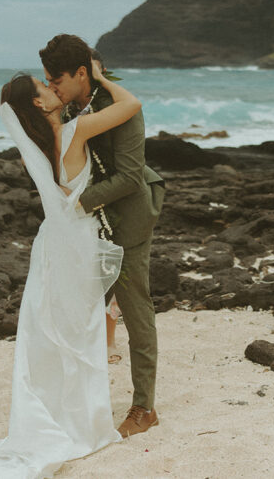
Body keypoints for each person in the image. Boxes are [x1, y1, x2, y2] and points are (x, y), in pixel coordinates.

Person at [0, 59, 141, 478]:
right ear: (39, 102)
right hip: (78, 243)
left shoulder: (35, 148)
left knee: (51, 333)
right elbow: (131, 104)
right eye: (45, 86)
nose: (54, 87)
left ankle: (54, 413)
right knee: (81, 332)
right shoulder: (74, 132)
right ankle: (83, 423)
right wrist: (102, 78)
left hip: (51, 245)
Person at [40, 35, 165, 438]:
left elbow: (129, 178)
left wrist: (76, 204)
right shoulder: (74, 104)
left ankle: (144, 408)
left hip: (128, 219)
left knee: (134, 308)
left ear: (82, 74)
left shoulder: (121, 110)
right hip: (89, 223)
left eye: (55, 80)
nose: (52, 88)